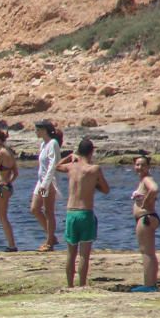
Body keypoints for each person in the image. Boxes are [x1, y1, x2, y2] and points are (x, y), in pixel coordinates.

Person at [55, 138, 109, 287]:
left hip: (71, 213)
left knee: (70, 254)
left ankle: (69, 285)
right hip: (85, 213)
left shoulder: (72, 167)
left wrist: (70, 156)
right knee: (84, 255)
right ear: (91, 152)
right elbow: (106, 189)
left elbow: (56, 166)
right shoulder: (94, 169)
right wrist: (94, 185)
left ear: (79, 151)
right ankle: (82, 285)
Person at [31, 119, 63, 252]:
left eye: (37, 129)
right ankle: (52, 236)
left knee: (48, 211)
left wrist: (46, 184)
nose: (35, 132)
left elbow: (53, 165)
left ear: (44, 130)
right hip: (41, 181)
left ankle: (49, 242)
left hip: (48, 182)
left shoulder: (53, 144)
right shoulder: (43, 144)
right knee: (34, 209)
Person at [130, 153, 160, 292]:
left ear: (148, 167)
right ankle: (150, 284)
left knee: (147, 253)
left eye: (143, 165)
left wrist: (146, 201)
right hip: (146, 218)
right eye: (137, 164)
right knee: (148, 252)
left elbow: (154, 188)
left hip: (146, 218)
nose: (140, 167)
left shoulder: (147, 179)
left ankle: (149, 286)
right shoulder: (142, 180)